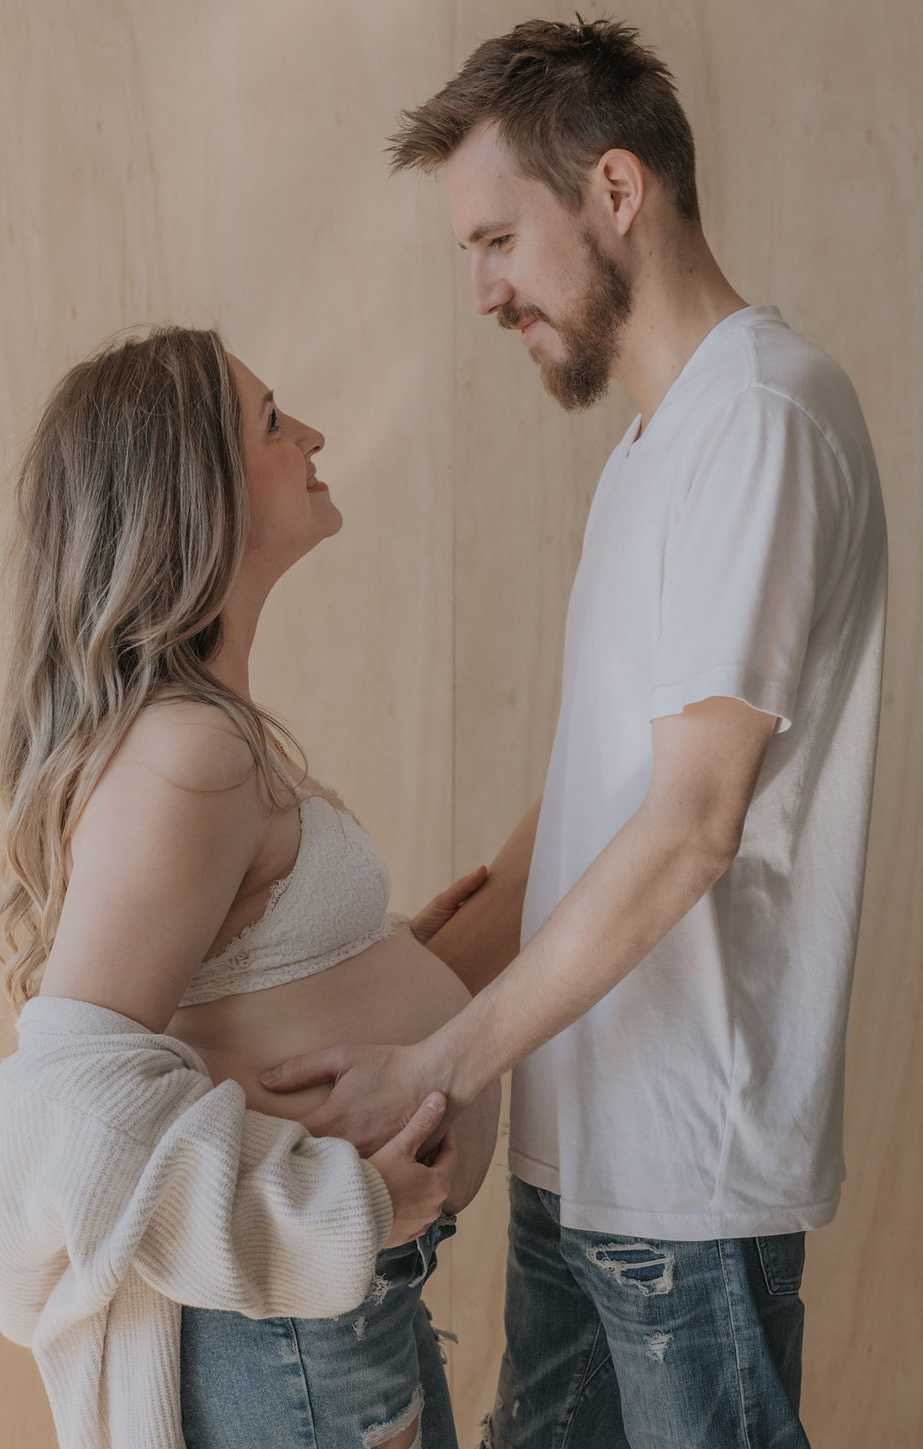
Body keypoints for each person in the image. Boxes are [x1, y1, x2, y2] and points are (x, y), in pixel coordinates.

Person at [259, 18, 888, 1449]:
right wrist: (400, 990)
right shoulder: (654, 448)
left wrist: (439, 1061)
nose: (482, 292)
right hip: (582, 1154)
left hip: (685, 1188)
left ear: (615, 189)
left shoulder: (762, 420)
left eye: (498, 241)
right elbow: (590, 807)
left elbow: (691, 826)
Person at [0, 325, 500, 1449]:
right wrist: (346, 1211)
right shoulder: (188, 757)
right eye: (271, 422)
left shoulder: (209, 736)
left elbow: (231, 979)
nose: (309, 434)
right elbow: (69, 1111)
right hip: (295, 1333)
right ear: (198, 494)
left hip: (334, 1310)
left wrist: (381, 959)